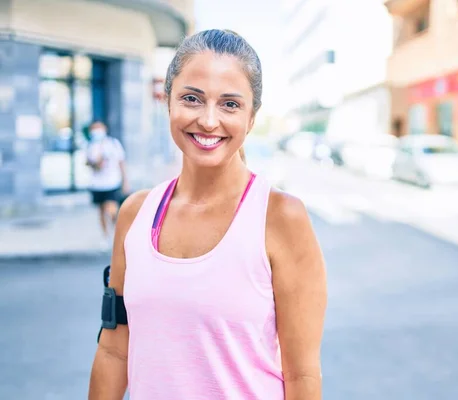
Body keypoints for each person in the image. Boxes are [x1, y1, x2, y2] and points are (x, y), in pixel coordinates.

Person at [88, 29, 327, 400]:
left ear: (251, 118)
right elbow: (114, 350)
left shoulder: (280, 217)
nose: (209, 121)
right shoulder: (135, 214)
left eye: (230, 104)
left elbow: (302, 376)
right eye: (191, 99)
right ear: (168, 102)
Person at [85, 121, 130, 241]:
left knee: (111, 209)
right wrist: (96, 163)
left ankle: (118, 231)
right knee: (101, 211)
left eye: (98, 127)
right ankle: (106, 236)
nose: (96, 131)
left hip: (112, 182)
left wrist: (125, 181)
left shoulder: (113, 144)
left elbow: (121, 163)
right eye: (94, 128)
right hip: (97, 184)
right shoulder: (91, 146)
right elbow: (88, 163)